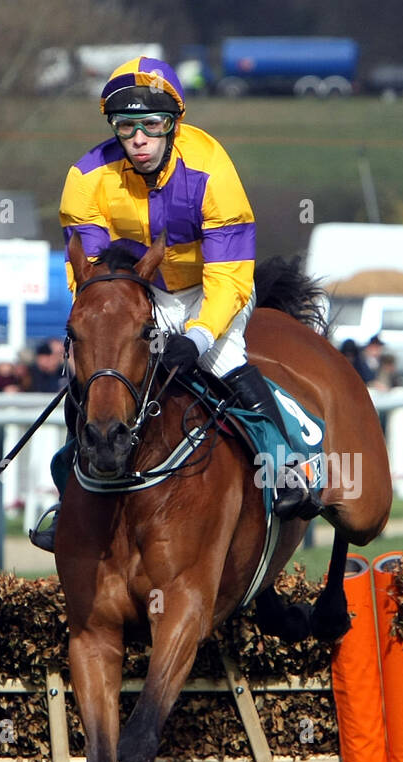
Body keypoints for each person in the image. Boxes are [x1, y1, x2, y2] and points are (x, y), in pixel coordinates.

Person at [30, 56, 320, 552]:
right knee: (95, 370)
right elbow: (92, 274)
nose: (138, 139)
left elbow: (229, 274)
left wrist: (198, 336)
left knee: (221, 358)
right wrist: (100, 331)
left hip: (213, 288)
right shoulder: (86, 176)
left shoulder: (210, 166)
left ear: (174, 123)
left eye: (151, 125)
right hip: (144, 293)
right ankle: (72, 491)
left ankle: (288, 466)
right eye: (126, 128)